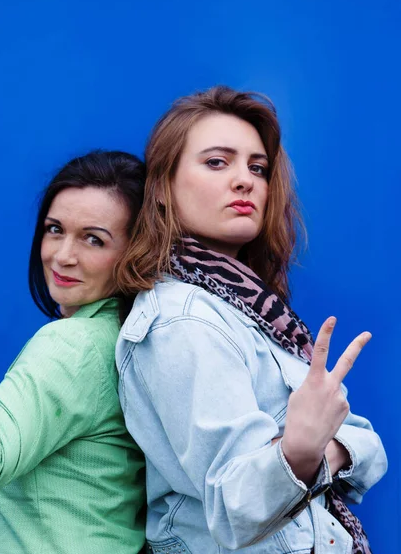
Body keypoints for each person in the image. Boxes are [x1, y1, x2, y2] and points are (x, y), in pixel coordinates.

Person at [115, 87, 387, 554]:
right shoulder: (184, 320)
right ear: (163, 190)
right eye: (217, 163)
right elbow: (236, 505)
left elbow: (370, 448)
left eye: (257, 168)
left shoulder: (253, 311)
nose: (245, 181)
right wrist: (303, 452)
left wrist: (311, 453)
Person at [0, 150, 146, 554]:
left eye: (93, 239)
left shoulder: (74, 345)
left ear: (135, 251)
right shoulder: (125, 336)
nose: (63, 255)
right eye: (55, 229)